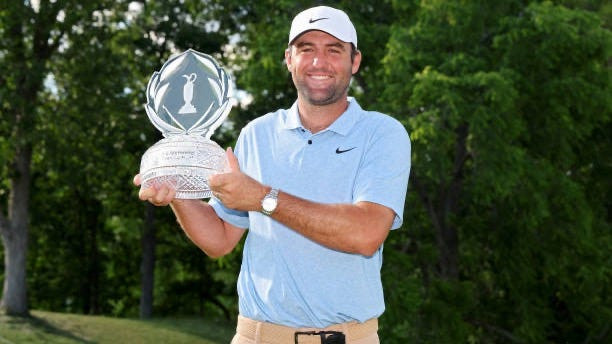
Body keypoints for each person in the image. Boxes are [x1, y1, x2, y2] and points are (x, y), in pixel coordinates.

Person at [134, 5, 411, 344]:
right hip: (255, 336)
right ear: (289, 59)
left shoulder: (382, 134)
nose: (318, 62)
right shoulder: (257, 134)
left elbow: (366, 233)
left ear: (354, 61)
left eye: (333, 50)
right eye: (306, 49)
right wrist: (178, 192)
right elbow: (220, 240)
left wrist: (264, 199)